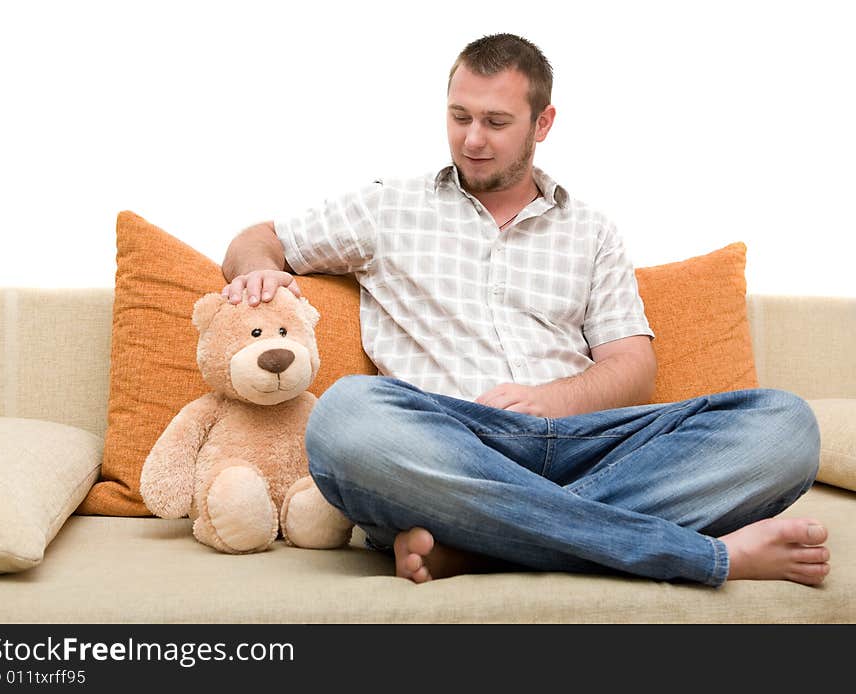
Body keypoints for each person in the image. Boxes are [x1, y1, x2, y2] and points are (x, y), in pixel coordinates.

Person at [220, 33, 830, 587]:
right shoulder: (387, 207)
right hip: (450, 442)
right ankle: (697, 556)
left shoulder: (592, 231)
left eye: (496, 121)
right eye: (459, 117)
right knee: (346, 416)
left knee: (785, 426)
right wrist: (257, 270)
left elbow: (632, 364)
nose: (473, 139)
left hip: (583, 443)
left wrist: (551, 402)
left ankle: (485, 545)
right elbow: (259, 237)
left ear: (543, 124)